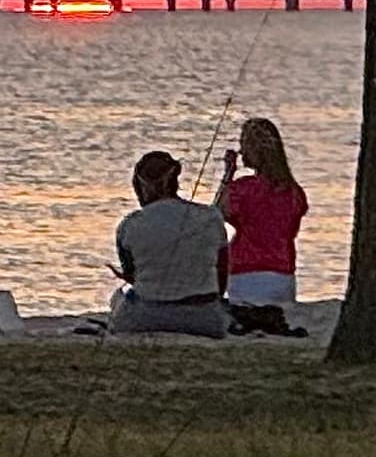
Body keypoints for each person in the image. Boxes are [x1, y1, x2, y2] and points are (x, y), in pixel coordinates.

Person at [107, 150, 228, 335]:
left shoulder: (129, 225)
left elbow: (133, 275)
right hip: (205, 319)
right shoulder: (211, 216)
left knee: (118, 298)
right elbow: (221, 276)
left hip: (146, 316)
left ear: (142, 185)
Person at [217, 116, 311, 338]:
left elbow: (216, 214)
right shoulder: (294, 192)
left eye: (243, 145)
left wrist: (228, 175)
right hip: (282, 276)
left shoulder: (242, 189)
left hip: (244, 274)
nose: (240, 151)